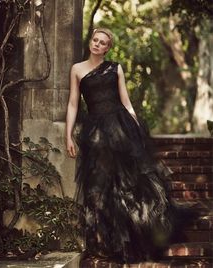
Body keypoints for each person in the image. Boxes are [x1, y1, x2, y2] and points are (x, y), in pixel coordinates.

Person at [65, 28, 196, 264]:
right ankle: (106, 243)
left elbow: (126, 101)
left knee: (128, 185)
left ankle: (134, 240)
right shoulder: (77, 69)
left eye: (102, 42)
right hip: (95, 131)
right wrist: (68, 135)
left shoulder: (115, 68)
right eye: (95, 40)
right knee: (101, 188)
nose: (96, 44)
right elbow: (73, 103)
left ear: (107, 48)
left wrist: (137, 129)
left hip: (120, 127)